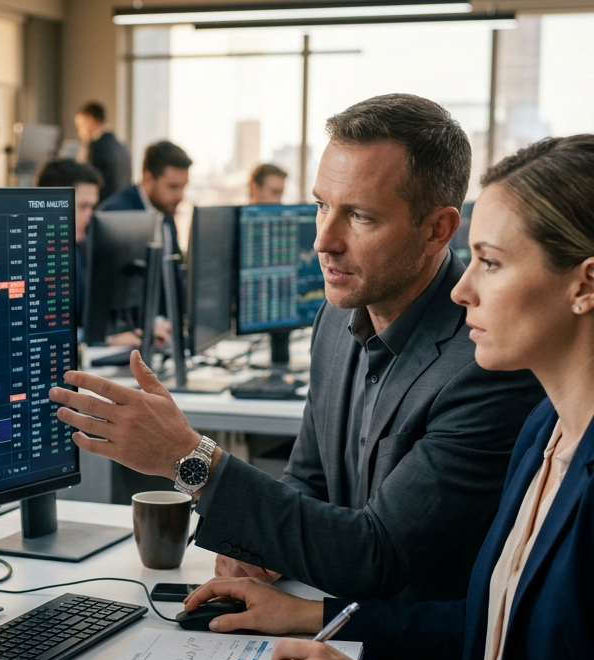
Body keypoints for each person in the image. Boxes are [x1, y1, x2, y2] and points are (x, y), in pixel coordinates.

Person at [182, 134, 594, 660]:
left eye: (489, 262)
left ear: (585, 284)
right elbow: (492, 627)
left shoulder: (513, 404)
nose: (463, 291)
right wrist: (306, 614)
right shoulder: (548, 432)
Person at [50, 94, 543, 603]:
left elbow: (379, 554)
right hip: (325, 622)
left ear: (438, 230)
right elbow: (307, 481)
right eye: (322, 206)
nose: (323, 241)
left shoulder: (486, 362)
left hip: (402, 656)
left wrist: (188, 457)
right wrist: (260, 547)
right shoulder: (335, 319)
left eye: (360, 217)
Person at [36, 158, 102, 329]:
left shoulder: (74, 250)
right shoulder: (32, 258)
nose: (90, 217)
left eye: (92, 207)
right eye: (82, 206)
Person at [99, 140, 191, 258]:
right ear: (148, 179)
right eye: (173, 187)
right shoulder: (116, 213)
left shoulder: (166, 208)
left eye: (184, 187)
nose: (180, 196)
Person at [74, 102, 131, 203]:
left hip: (100, 209)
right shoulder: (122, 146)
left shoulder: (95, 147)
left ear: (89, 120)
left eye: (80, 126)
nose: (79, 133)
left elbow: (84, 183)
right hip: (120, 209)